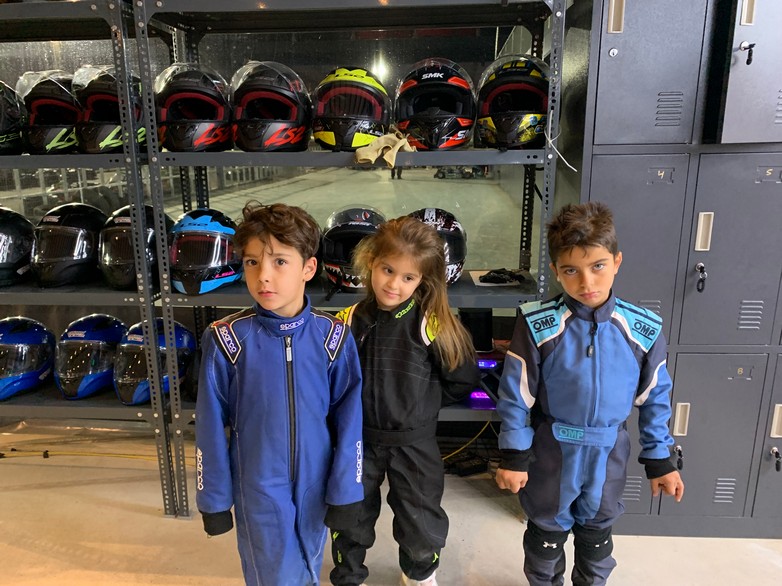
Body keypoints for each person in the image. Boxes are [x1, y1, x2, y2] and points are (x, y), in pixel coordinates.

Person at [494, 201, 684, 586]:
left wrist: (660, 459)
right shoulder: (538, 324)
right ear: (555, 271)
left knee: (596, 539)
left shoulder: (642, 328)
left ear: (617, 261)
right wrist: (514, 456)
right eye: (571, 271)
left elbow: (655, 397)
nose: (587, 283)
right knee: (545, 537)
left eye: (598, 266)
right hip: (551, 453)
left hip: (609, 453)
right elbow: (516, 395)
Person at [195, 201, 365, 586]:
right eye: (252, 262)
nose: (264, 277)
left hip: (316, 482)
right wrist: (214, 500)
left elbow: (350, 420)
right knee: (275, 576)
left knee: (309, 565)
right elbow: (209, 426)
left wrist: (346, 489)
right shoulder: (227, 340)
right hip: (258, 484)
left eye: (280, 262)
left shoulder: (333, 338)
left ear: (309, 268)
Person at [329, 215, 481, 586]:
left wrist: (421, 405)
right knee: (349, 514)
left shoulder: (432, 323)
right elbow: (329, 381)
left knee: (420, 519)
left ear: (422, 280)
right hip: (358, 441)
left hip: (414, 443)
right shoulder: (346, 321)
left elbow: (462, 379)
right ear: (370, 262)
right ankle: (349, 575)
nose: (394, 284)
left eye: (408, 277)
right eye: (387, 270)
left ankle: (419, 574)